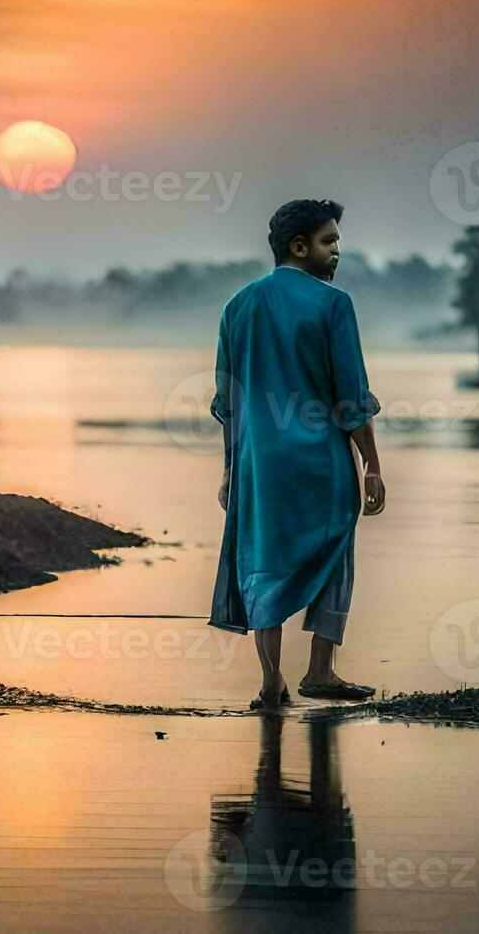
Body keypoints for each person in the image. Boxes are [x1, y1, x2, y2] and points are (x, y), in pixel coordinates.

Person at [209, 199, 385, 709]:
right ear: (299, 246)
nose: (337, 252)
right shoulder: (334, 304)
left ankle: (271, 682)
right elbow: (350, 397)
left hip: (258, 464)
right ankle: (320, 670)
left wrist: (229, 470)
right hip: (320, 459)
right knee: (334, 552)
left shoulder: (237, 306)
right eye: (330, 242)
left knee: (263, 561)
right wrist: (372, 464)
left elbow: (231, 401)